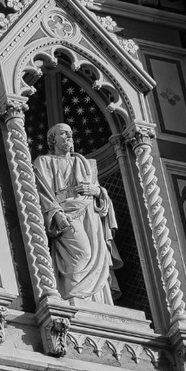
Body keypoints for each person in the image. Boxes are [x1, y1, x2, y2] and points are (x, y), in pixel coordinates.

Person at [33, 121, 118, 302]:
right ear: (52, 139)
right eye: (63, 133)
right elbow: (43, 192)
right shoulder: (44, 162)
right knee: (82, 253)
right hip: (65, 213)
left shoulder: (85, 163)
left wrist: (97, 191)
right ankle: (74, 296)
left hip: (89, 213)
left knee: (95, 255)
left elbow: (102, 198)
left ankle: (92, 300)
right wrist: (56, 213)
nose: (69, 136)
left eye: (70, 133)